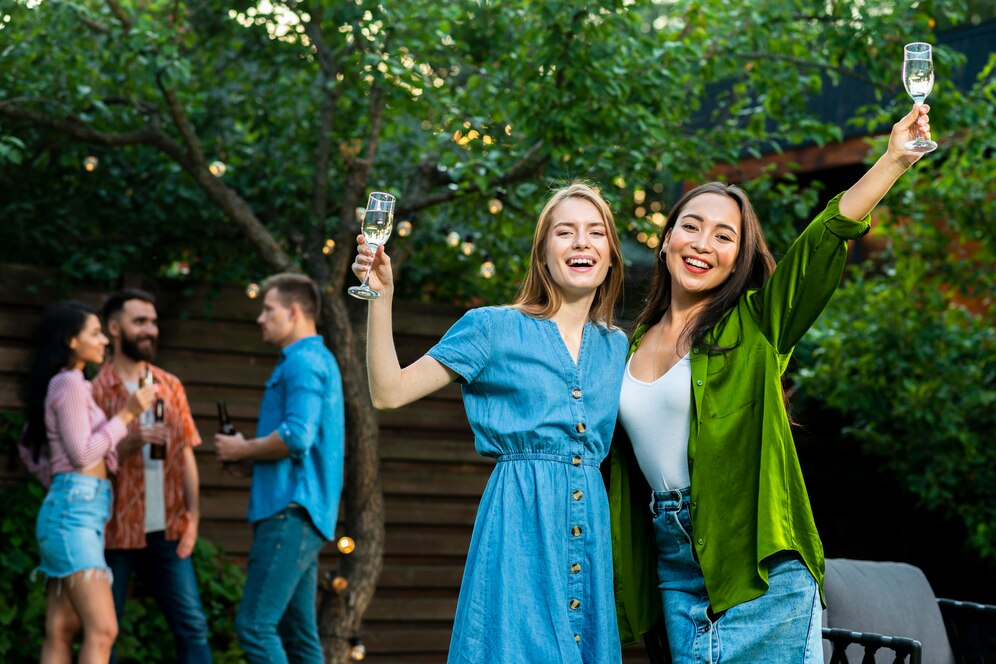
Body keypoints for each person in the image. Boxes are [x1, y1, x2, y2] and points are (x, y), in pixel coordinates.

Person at [608, 105, 934, 663]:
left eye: (724, 235)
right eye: (691, 226)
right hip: (674, 567)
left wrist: (892, 162)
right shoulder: (625, 348)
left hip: (760, 562)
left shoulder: (759, 324)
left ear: (737, 259)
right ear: (665, 241)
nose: (703, 243)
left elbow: (820, 244)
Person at [351, 182, 629, 663]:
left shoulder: (620, 348)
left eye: (596, 233)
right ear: (543, 255)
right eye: (565, 232)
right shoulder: (491, 328)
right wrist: (381, 297)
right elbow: (388, 393)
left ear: (610, 258)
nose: (582, 242)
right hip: (519, 529)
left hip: (593, 535)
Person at [214, 273, 344, 664]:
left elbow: (296, 437)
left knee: (254, 626)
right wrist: (251, 458)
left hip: (290, 512)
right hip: (301, 511)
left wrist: (241, 449)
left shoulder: (303, 362)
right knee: (300, 637)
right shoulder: (313, 360)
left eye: (268, 309)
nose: (260, 318)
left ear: (294, 311)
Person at [19, 301, 154, 663]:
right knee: (104, 629)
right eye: (95, 333)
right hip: (74, 515)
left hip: (75, 509)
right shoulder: (70, 383)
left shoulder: (66, 384)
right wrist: (127, 413)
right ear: (70, 340)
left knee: (61, 629)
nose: (104, 341)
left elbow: (29, 449)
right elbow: (81, 455)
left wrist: (60, 483)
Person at [91, 289, 212, 663]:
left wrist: (193, 518)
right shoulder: (95, 390)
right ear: (114, 328)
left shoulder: (169, 386)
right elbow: (85, 460)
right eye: (140, 321)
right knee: (105, 631)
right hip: (114, 530)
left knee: (192, 628)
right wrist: (129, 443)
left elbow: (187, 453)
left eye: (154, 322)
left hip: (169, 529)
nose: (150, 329)